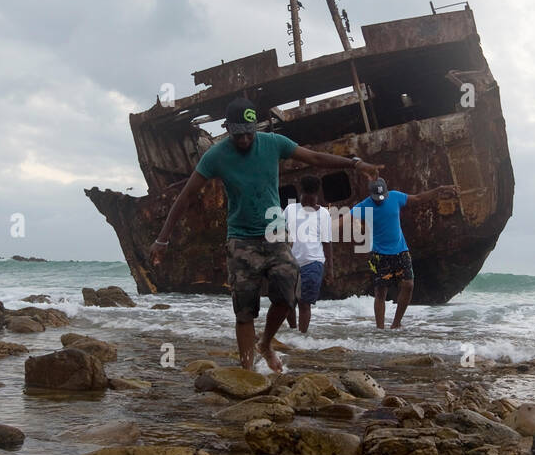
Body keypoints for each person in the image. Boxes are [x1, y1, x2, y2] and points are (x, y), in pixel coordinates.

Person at [149, 97, 380, 371]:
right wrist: (162, 238)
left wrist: (354, 164)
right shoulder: (216, 155)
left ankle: (266, 343)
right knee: (245, 310)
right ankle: (247, 370)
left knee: (287, 295)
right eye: (238, 134)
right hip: (240, 239)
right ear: (228, 128)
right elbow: (186, 196)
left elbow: (315, 158)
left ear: (254, 127)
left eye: (249, 132)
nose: (245, 139)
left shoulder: (273, 143)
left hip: (274, 233)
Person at [352, 177, 458, 329]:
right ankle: (380, 329)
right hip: (379, 254)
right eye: (377, 198)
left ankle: (396, 323)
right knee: (381, 292)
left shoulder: (395, 196)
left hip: (401, 250)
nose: (380, 200)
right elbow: (346, 219)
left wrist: (438, 190)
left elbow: (418, 198)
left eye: (383, 197)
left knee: (408, 284)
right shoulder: (364, 206)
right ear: (371, 194)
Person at [283, 175, 332, 334]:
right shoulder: (290, 210)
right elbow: (281, 235)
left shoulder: (324, 214)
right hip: (290, 262)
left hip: (313, 262)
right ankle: (293, 332)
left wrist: (329, 268)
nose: (308, 203)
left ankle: (302, 337)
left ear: (316, 195)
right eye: (305, 200)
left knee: (304, 304)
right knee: (287, 303)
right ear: (301, 193)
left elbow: (326, 242)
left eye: (311, 200)